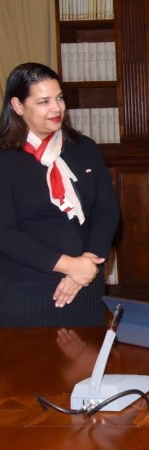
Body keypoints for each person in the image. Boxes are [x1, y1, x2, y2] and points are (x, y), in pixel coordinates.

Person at [0, 62, 120, 327]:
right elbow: (5, 233)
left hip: (85, 284)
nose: (57, 108)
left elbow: (107, 211)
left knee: (88, 354)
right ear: (18, 106)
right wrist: (69, 266)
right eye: (44, 101)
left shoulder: (83, 148)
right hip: (26, 291)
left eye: (60, 98)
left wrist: (86, 264)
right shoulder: (5, 158)